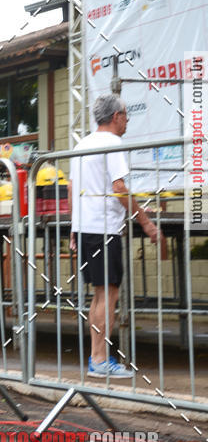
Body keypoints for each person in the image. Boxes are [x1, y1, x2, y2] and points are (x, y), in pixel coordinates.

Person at [70, 94, 161, 378]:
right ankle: (100, 360)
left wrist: (73, 228)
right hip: (104, 229)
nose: (128, 119)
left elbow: (73, 189)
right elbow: (119, 187)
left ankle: (97, 358)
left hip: (87, 227)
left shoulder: (82, 144)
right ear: (115, 117)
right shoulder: (113, 143)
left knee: (100, 295)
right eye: (125, 114)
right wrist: (146, 223)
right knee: (109, 295)